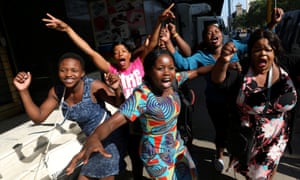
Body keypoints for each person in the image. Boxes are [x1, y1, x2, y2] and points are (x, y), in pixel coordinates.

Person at [42, 3, 190, 180]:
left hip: (148, 121)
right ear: (113, 57)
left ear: (129, 54)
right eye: (116, 52)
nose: (120, 54)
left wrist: (159, 21)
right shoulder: (111, 72)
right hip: (126, 122)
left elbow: (150, 48)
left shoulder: (139, 65)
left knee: (150, 159)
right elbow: (89, 51)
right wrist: (68, 29)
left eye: (123, 51)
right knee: (130, 157)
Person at [161, 7, 285, 172]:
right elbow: (184, 65)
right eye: (209, 33)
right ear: (204, 39)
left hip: (238, 101)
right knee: (220, 130)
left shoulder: (233, 46)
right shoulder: (200, 56)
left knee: (238, 129)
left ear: (222, 34)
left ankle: (239, 154)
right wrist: (169, 42)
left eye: (216, 31)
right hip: (215, 102)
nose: (213, 34)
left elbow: (254, 40)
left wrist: (272, 23)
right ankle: (219, 155)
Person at [65, 47, 213, 180]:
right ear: (148, 71)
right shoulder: (142, 96)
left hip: (176, 145)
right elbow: (112, 123)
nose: (167, 72)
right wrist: (95, 138)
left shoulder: (174, 81)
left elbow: (197, 71)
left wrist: (223, 63)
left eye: (171, 68)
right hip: (156, 154)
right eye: (160, 68)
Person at [13, 52, 126, 180]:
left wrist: (116, 89)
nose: (68, 74)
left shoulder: (93, 86)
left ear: (82, 73)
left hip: (110, 136)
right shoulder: (58, 91)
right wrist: (23, 90)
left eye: (74, 70)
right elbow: (38, 117)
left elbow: (120, 105)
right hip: (91, 141)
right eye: (63, 70)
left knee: (104, 174)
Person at [211, 29, 297, 179]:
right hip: (250, 138)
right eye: (257, 49)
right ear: (250, 52)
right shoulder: (242, 70)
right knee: (256, 175)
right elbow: (218, 80)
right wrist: (224, 60)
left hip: (279, 136)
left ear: (275, 52)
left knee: (268, 171)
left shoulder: (286, 65)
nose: (263, 54)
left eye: (268, 50)